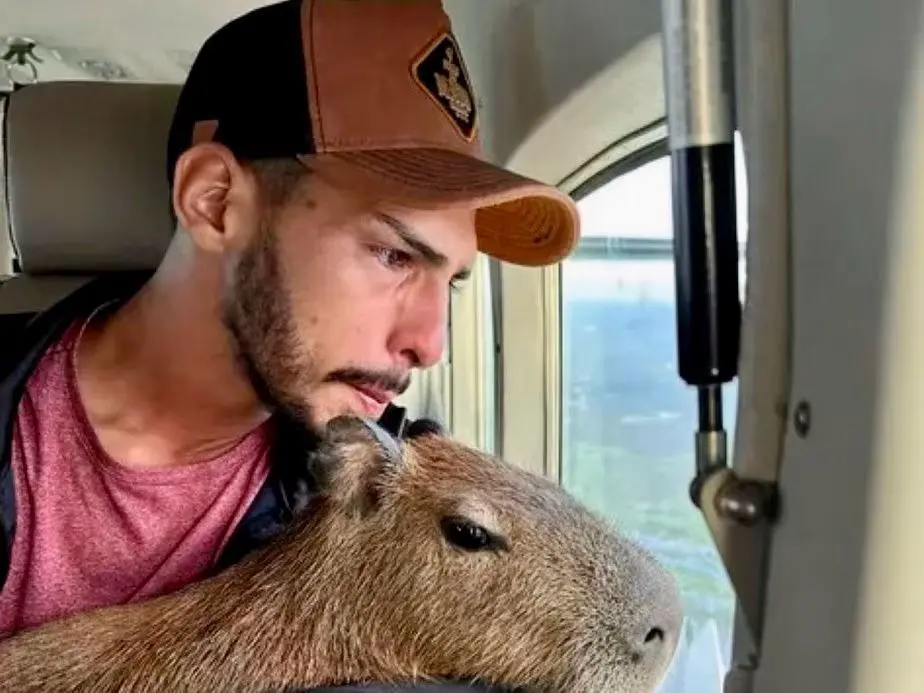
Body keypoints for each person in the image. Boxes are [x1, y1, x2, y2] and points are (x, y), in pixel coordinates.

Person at [0, 0, 580, 661]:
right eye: (394, 255)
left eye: (450, 281)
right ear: (214, 202)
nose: (430, 344)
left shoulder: (396, 517)